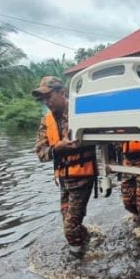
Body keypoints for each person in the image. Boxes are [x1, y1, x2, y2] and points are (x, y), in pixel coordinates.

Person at [33, 76, 97, 258]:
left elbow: (103, 135)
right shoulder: (46, 120)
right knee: (68, 222)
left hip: (83, 176)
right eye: (43, 98)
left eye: (49, 96)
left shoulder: (81, 111)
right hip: (64, 178)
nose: (46, 101)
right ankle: (87, 240)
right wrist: (57, 149)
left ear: (62, 93)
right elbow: (40, 152)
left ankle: (77, 261)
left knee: (69, 227)